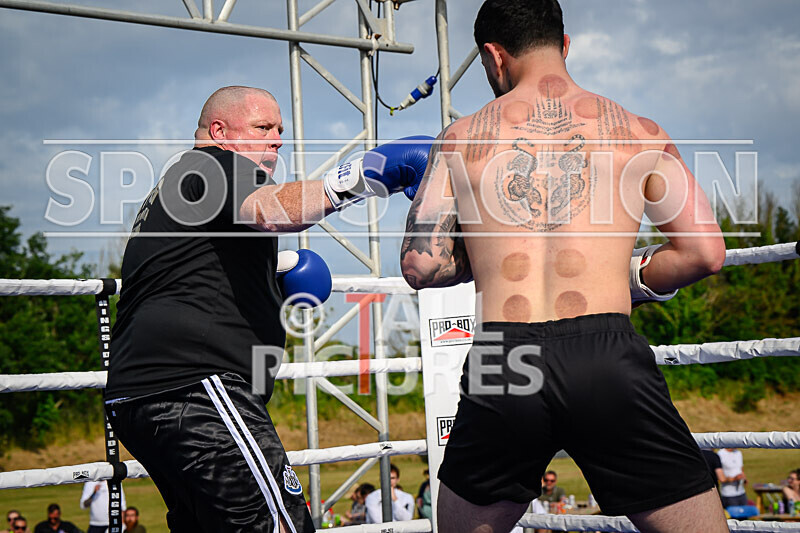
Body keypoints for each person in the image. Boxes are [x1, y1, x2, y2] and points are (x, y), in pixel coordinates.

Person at [400, 1, 729, 532]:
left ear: (494, 56)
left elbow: (421, 266)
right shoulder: (639, 131)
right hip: (606, 352)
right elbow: (705, 252)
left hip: (504, 358)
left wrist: (489, 256)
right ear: (565, 44)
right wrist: (622, 276)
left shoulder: (460, 138)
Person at [104, 85, 432, 532]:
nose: (277, 139)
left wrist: (269, 283)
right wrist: (372, 173)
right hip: (195, 388)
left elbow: (184, 275)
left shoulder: (181, 183)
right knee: (280, 524)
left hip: (150, 395)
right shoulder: (215, 164)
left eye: (280, 129)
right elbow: (271, 212)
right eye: (263, 127)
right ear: (219, 131)